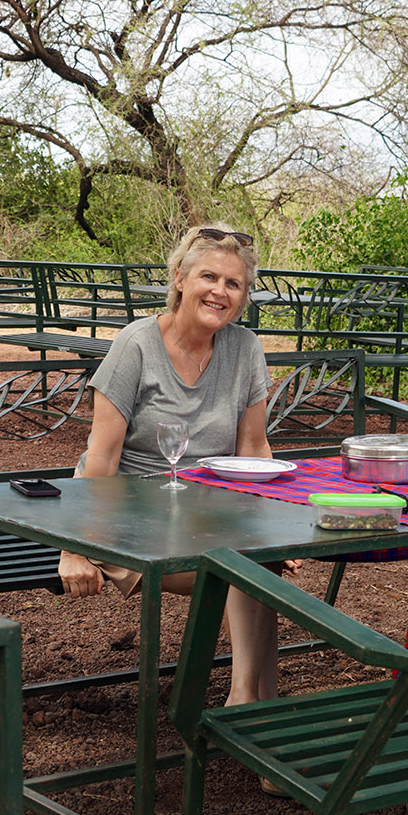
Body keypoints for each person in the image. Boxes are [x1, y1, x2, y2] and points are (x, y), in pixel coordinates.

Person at [57, 224, 287, 707]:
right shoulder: (136, 344)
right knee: (244, 570)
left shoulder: (244, 349)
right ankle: (251, 711)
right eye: (209, 276)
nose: (219, 291)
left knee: (253, 562)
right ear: (180, 278)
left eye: (233, 284)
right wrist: (73, 545)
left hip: (210, 516)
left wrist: (273, 526)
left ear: (243, 297)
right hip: (127, 517)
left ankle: (248, 707)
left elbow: (254, 449)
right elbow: (100, 456)